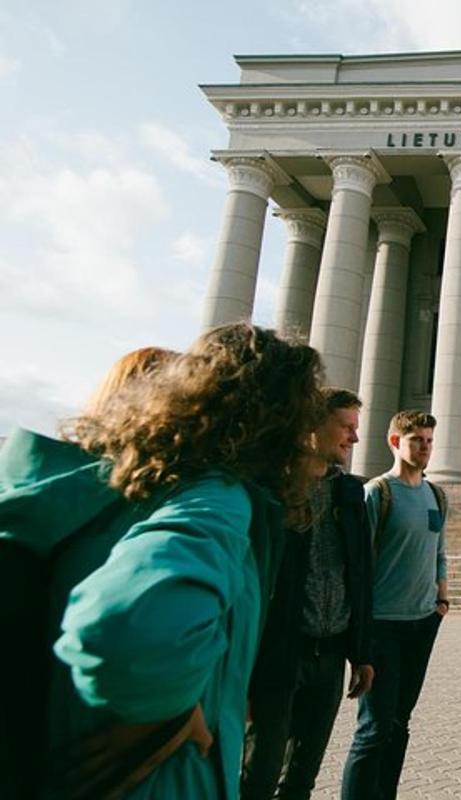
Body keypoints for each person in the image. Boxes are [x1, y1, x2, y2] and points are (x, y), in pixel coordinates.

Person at [0, 323, 324, 799]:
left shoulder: (113, 490)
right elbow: (123, 629)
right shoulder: (216, 499)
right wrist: (168, 708)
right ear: (277, 419)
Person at [242, 387, 375, 800]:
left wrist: (362, 651)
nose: (354, 437)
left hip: (331, 653)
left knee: (301, 779)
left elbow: (360, 575)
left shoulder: (350, 493)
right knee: (258, 775)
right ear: (313, 425)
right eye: (346, 426)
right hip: (282, 651)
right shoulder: (273, 491)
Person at [342, 410, 449, 800]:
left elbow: (439, 549)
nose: (424, 447)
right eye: (416, 440)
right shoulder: (377, 492)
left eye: (429, 440)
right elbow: (358, 563)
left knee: (400, 723)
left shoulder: (436, 494)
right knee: (374, 729)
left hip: (423, 622)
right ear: (394, 442)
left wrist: (442, 599)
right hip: (382, 623)